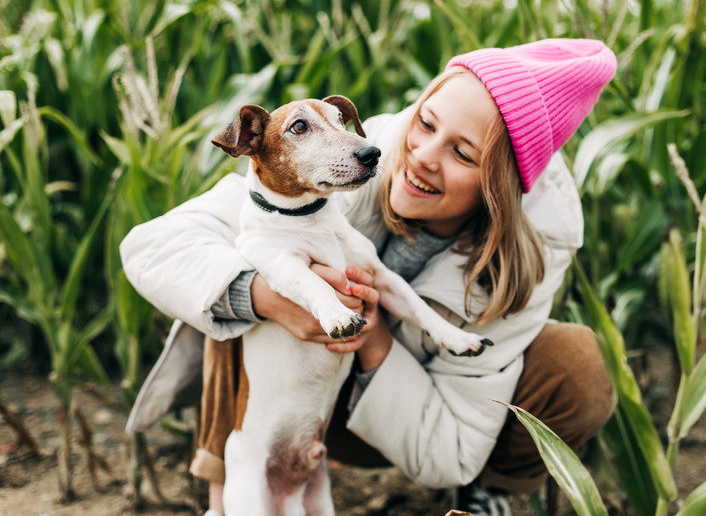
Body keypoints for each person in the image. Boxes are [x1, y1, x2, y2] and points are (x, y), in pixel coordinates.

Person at [121, 38, 618, 516]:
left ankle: (489, 493)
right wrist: (268, 297)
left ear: (500, 184)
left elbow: (448, 452)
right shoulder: (350, 153)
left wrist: (372, 332)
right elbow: (153, 247)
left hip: (388, 412)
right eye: (425, 122)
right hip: (281, 398)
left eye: (463, 153)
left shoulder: (530, 250)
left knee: (576, 363)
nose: (422, 155)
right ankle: (223, 495)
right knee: (229, 281)